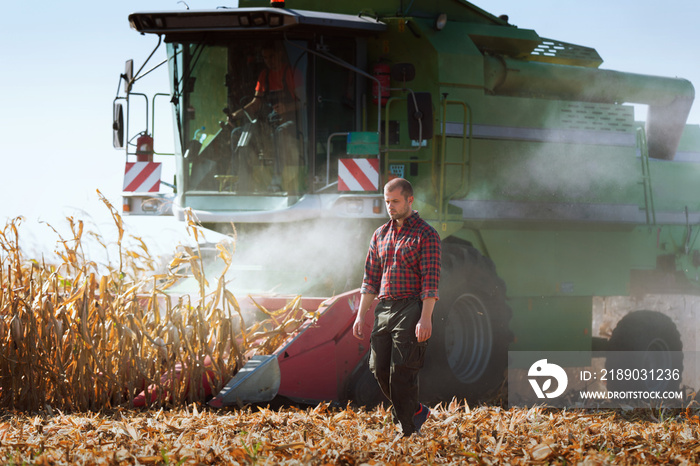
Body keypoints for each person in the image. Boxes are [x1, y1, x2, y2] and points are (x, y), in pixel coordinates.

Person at [352, 177, 441, 438]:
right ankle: (415, 410)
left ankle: (408, 429)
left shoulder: (426, 234)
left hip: (411, 307)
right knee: (378, 369)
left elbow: (431, 282)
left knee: (401, 371)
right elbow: (370, 279)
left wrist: (426, 318)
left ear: (410, 200)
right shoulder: (380, 235)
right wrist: (360, 316)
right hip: (385, 307)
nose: (390, 206)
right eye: (387, 201)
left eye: (395, 201)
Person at [228, 43, 302, 192]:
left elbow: (304, 102)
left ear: (280, 54)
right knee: (237, 134)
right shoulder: (264, 75)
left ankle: (277, 179)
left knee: (280, 132)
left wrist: (286, 108)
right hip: (270, 123)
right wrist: (236, 114)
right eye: (265, 57)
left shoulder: (291, 73)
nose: (268, 60)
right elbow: (256, 103)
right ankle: (242, 180)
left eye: (271, 56)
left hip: (293, 124)